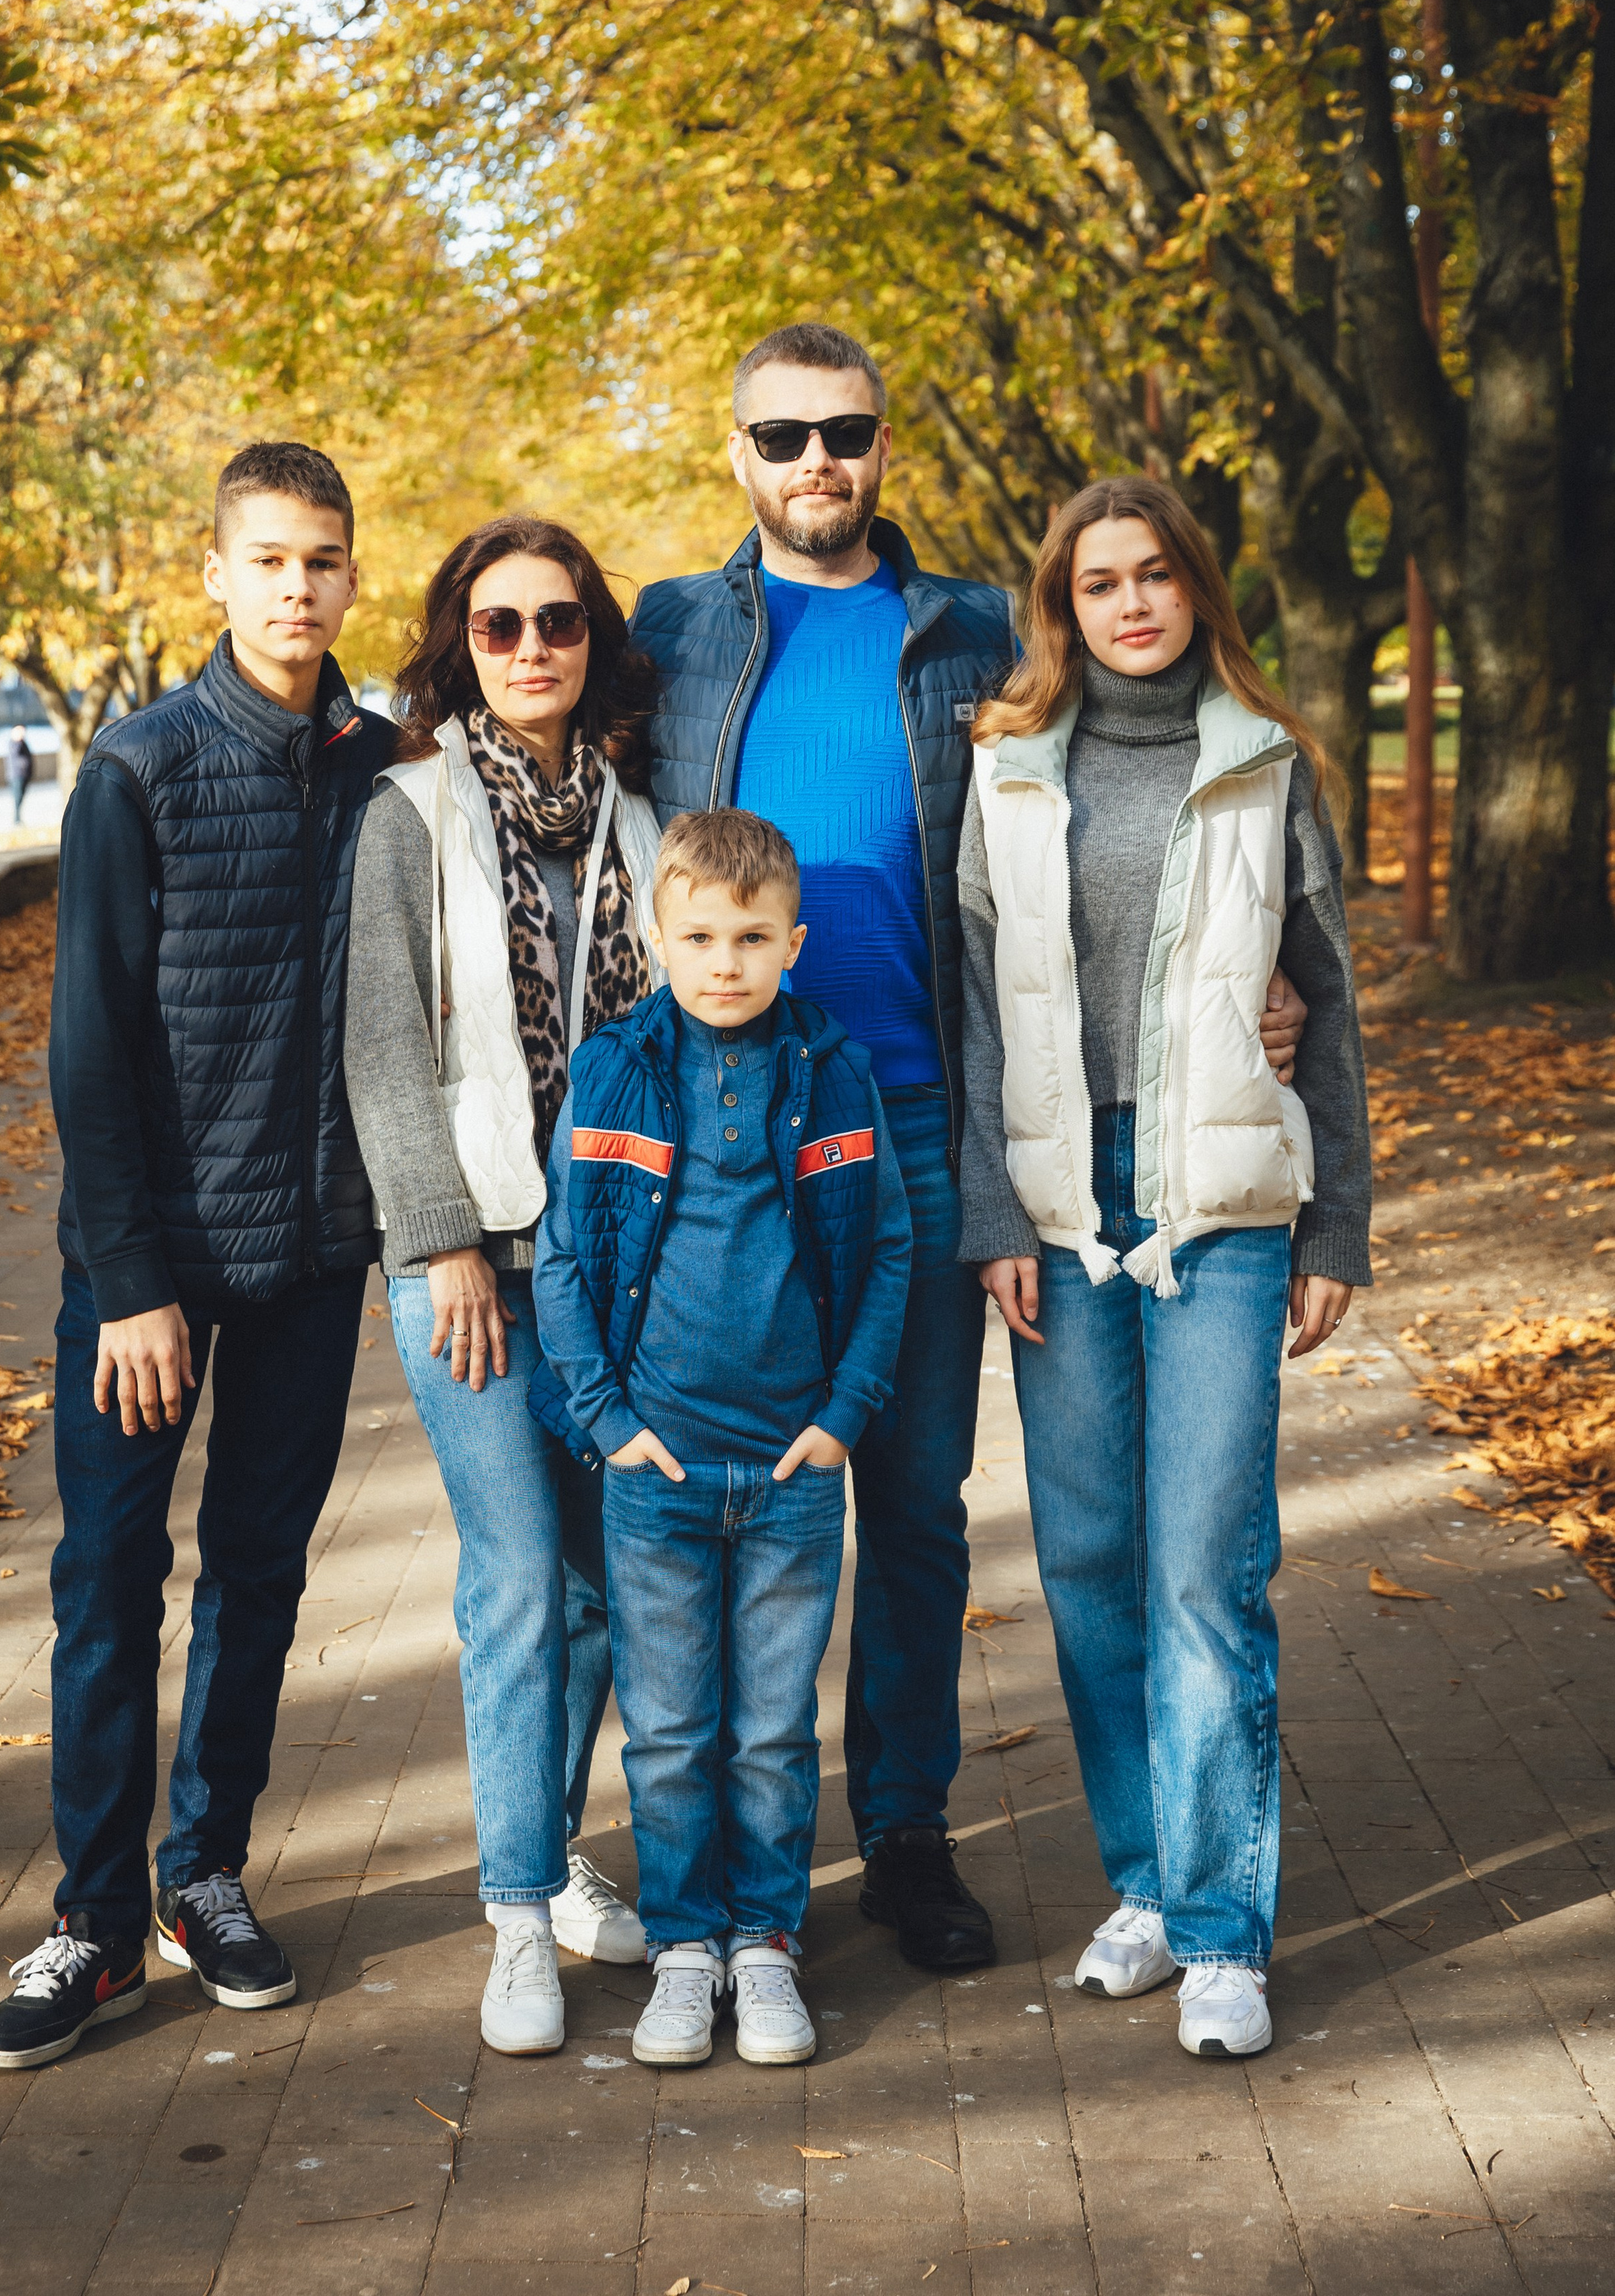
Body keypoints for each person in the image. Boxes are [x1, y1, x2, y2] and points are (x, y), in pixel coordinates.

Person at [632, 322, 1312, 1971]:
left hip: (929, 1129)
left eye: (843, 430)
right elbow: (540, 740)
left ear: (882, 446)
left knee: (916, 1505)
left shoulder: (973, 633)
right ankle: (715, 1858)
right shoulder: (670, 632)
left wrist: (1247, 980)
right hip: (729, 1132)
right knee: (716, 1497)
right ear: (737, 453)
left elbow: (1085, 839)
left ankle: (905, 1830)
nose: (815, 460)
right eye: (781, 435)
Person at [0, 440, 397, 2073]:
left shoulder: (385, 768)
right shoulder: (136, 766)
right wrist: (131, 1280)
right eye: (269, 558)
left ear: (352, 576)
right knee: (105, 1582)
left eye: (323, 558)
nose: (298, 586)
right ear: (215, 573)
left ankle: (200, 1874)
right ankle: (90, 1920)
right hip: (142, 1268)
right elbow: (87, 1053)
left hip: (312, 1253)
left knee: (260, 1573)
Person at [959, 476, 1371, 2063]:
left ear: (1196, 588)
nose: (1129, 604)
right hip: (1061, 1206)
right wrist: (992, 1217)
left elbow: (1323, 998)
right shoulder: (1003, 769)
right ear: (1059, 607)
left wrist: (1335, 1223)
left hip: (1220, 1198)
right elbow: (974, 1003)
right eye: (1097, 582)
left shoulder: (1264, 766)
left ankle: (1218, 1930)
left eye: (1154, 575)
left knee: (1204, 1566)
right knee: (1085, 1562)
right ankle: (1140, 1878)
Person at [343, 513, 667, 2058]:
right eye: (498, 625)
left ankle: (546, 1853)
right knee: (520, 1580)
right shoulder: (408, 811)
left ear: (594, 638)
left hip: (616, 1268)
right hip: (470, 1265)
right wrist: (442, 1243)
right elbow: (384, 1046)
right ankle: (518, 1914)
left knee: (596, 1588)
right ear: (457, 645)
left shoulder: (644, 823)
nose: (531, 647)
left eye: (558, 620)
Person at [532, 809, 913, 2067]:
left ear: (794, 943)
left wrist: (844, 1416)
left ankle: (766, 1942)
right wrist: (610, 1424)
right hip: (660, 1472)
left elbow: (889, 1250)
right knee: (670, 1732)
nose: (725, 962)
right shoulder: (614, 1071)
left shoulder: (835, 1070)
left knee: (770, 1731)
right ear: (658, 938)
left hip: (793, 1470)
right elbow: (564, 1259)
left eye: (753, 938)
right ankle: (685, 1949)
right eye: (698, 937)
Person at [6, 729, 34, 827]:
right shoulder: (14, 744)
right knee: (17, 798)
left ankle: (18, 819)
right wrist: (18, 740)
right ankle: (17, 820)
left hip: (24, 775)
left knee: (21, 797)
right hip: (17, 775)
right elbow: (16, 752)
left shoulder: (24, 743)